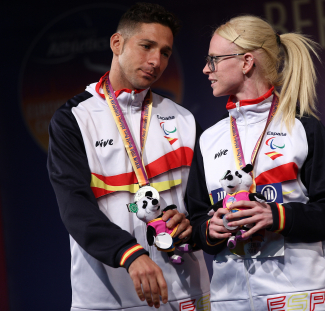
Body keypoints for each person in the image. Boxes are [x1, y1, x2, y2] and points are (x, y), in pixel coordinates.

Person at [47, 3, 209, 311]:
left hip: (186, 292)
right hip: (107, 297)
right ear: (117, 43)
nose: (155, 61)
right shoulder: (75, 118)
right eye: (146, 46)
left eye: (165, 52)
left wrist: (192, 223)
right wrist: (130, 254)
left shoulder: (183, 119)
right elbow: (75, 209)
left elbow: (203, 208)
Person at [187, 15, 325, 311]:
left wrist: (275, 216)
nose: (205, 69)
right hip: (230, 302)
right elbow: (196, 220)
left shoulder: (303, 128)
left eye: (213, 60)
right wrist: (209, 230)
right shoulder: (208, 139)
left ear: (246, 62)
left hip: (295, 300)